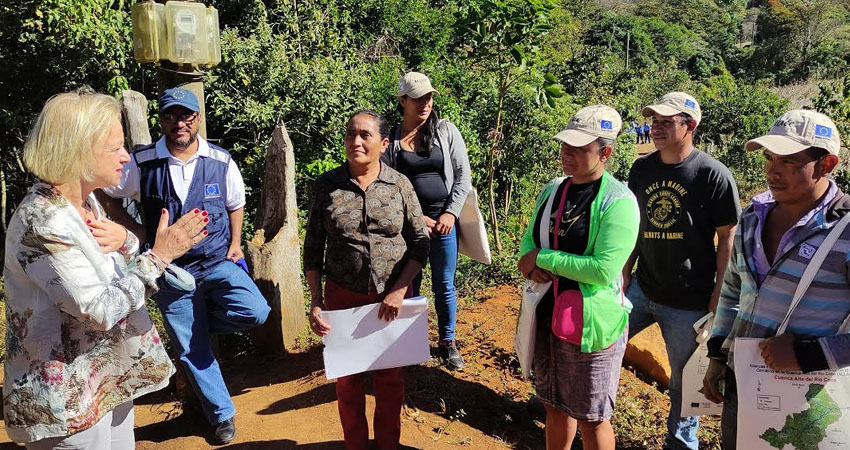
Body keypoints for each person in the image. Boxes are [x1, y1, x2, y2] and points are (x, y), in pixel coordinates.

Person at [3, 91, 208, 449]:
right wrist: (159, 257)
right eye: (115, 148)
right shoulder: (43, 220)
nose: (126, 157)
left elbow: (113, 261)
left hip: (106, 378)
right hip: (66, 400)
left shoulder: (86, 201)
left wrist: (130, 242)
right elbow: (98, 310)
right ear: (78, 151)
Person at [99, 87, 270, 445]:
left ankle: (199, 320)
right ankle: (221, 415)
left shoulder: (220, 160)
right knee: (193, 349)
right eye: (172, 115)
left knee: (256, 312)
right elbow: (106, 192)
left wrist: (236, 245)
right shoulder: (142, 162)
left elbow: (235, 202)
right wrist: (138, 232)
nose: (180, 123)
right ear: (161, 120)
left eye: (187, 115)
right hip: (170, 271)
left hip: (216, 262)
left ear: (198, 118)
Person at [703, 110, 850, 449]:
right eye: (770, 158)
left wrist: (807, 354)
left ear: (826, 164)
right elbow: (732, 292)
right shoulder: (753, 218)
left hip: (809, 407)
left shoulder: (844, 230)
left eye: (789, 161)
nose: (772, 170)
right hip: (746, 385)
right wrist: (717, 357)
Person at [304, 110, 431, 450]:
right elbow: (313, 247)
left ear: (384, 143)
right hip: (343, 296)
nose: (355, 141)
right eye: (350, 134)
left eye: (365, 135)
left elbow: (420, 242)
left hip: (390, 298)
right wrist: (316, 301)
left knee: (390, 380)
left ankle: (387, 445)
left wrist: (400, 290)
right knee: (348, 381)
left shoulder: (399, 185)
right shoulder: (327, 186)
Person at [622, 92, 741, 450]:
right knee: (601, 347)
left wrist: (720, 291)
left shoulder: (712, 174)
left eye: (665, 122)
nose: (655, 128)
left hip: (689, 299)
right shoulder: (642, 168)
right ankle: (571, 405)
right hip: (641, 288)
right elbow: (632, 225)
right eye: (653, 121)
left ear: (690, 126)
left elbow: (727, 237)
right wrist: (624, 272)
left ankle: (680, 443)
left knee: (683, 382)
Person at [517, 105, 639, 450]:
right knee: (554, 404)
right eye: (565, 146)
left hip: (590, 324)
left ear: (606, 153)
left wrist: (541, 258)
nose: (566, 154)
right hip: (547, 311)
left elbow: (602, 269)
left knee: (591, 416)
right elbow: (531, 236)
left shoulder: (619, 202)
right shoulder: (554, 188)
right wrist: (528, 260)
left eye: (579, 148)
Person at [381, 71, 472, 370]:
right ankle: (413, 342)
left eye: (429, 97)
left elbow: (463, 177)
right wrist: (416, 218)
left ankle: (447, 342)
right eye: (418, 98)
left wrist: (449, 213)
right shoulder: (392, 138)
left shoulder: (445, 131)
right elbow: (387, 185)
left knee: (444, 284)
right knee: (411, 283)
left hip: (444, 222)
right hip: (409, 226)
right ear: (403, 100)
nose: (425, 103)